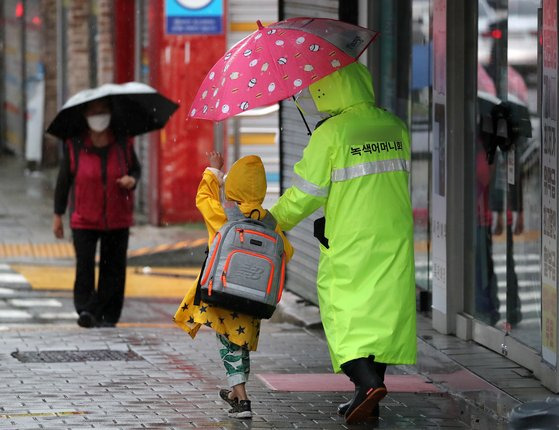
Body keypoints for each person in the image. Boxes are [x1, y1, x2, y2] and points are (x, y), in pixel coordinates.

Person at [269, 62, 416, 424]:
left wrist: (273, 221)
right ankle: (367, 399)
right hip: (393, 234)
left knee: (343, 312)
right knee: (382, 313)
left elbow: (305, 194)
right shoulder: (394, 124)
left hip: (351, 238)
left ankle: (366, 384)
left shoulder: (331, 133)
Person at [174, 152, 293, 419]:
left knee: (229, 344)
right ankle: (236, 394)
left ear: (234, 187)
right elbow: (287, 252)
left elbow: (203, 199)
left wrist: (213, 172)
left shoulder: (225, 214)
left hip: (222, 292)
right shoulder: (271, 221)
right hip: (253, 298)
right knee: (238, 342)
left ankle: (242, 398)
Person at [52, 97, 141, 329]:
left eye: (102, 111)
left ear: (111, 114)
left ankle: (108, 314)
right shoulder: (74, 146)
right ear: (85, 116)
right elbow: (63, 182)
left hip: (117, 216)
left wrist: (132, 180)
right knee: (84, 266)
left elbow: (136, 170)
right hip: (84, 217)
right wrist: (57, 215)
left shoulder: (123, 143)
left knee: (114, 268)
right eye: (93, 112)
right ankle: (86, 310)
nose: (98, 116)